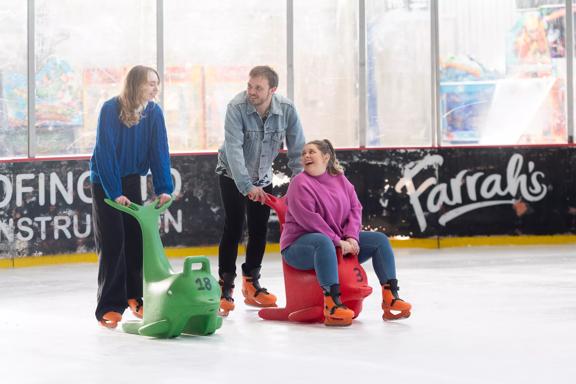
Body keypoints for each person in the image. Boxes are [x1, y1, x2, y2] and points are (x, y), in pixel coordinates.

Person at [280, 139, 412, 326]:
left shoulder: (340, 179)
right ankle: (332, 305)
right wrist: (337, 241)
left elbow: (355, 208)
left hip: (335, 242)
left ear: (326, 157)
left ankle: (391, 298)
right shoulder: (299, 183)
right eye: (304, 153)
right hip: (299, 246)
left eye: (311, 152)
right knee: (322, 242)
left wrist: (352, 237)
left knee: (379, 240)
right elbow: (309, 219)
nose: (306, 156)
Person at [215, 65, 305, 315]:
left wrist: (300, 185)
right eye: (249, 86)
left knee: (259, 230)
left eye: (258, 88)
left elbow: (298, 150)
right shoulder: (236, 107)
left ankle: (251, 283)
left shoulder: (286, 109)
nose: (251, 91)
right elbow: (233, 149)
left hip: (263, 175)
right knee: (233, 226)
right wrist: (246, 186)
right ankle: (226, 286)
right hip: (232, 174)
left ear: (272, 90)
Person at [90, 65, 173, 328]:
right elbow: (105, 154)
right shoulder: (110, 109)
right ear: (136, 84)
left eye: (156, 83)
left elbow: (159, 150)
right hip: (106, 179)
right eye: (150, 83)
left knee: (136, 238)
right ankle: (110, 306)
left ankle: (134, 296)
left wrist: (163, 188)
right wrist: (115, 193)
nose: (155, 88)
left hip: (130, 178)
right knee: (114, 241)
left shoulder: (154, 112)